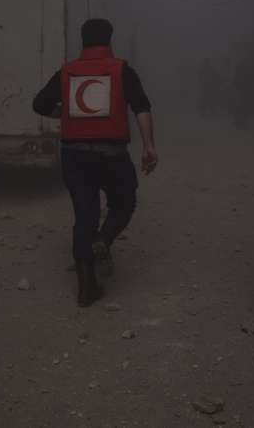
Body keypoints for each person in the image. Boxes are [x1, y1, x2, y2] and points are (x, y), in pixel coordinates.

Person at [32, 18, 159, 307]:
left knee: (84, 218)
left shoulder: (66, 72)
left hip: (74, 156)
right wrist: (149, 146)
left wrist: (64, 115)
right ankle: (104, 238)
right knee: (124, 203)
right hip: (111, 153)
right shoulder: (121, 70)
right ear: (110, 41)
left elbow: (39, 104)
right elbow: (141, 106)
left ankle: (87, 289)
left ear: (83, 42)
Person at [232, 53, 254, 128]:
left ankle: (238, 121)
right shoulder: (251, 66)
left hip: (241, 89)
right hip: (247, 89)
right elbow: (253, 80)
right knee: (245, 106)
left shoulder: (241, 64)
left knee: (241, 104)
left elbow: (236, 77)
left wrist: (237, 85)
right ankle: (241, 122)